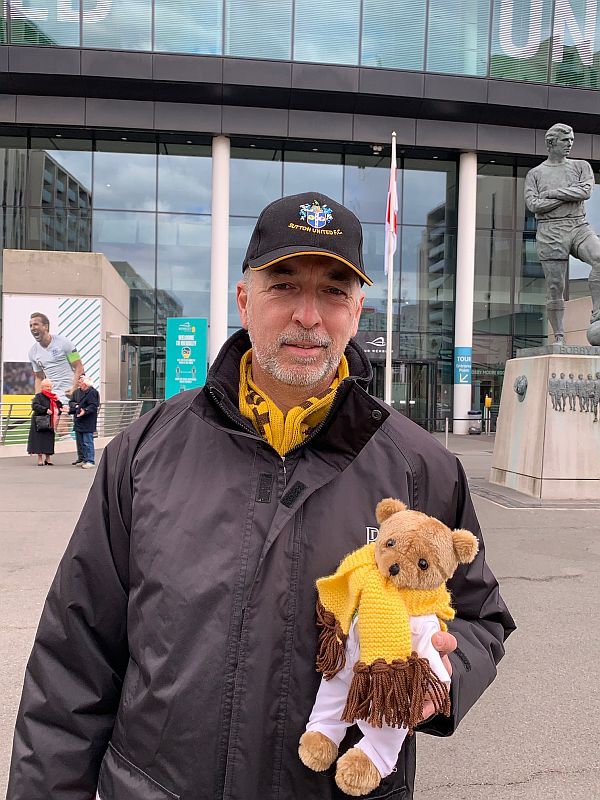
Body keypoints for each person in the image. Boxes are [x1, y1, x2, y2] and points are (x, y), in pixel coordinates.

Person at [7, 192, 515, 800]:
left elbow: (482, 617)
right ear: (244, 300)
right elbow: (73, 658)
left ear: (358, 311)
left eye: (333, 291)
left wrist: (438, 680)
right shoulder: (145, 453)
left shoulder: (420, 467)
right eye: (283, 286)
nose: (309, 316)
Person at [524, 123, 600, 343]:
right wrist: (568, 196)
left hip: (578, 225)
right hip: (551, 231)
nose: (570, 144)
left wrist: (553, 194)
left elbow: (585, 191)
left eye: (572, 140)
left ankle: (597, 314)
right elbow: (534, 204)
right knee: (556, 286)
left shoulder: (580, 166)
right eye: (565, 140)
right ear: (551, 143)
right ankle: (558, 336)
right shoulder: (535, 174)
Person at [28, 312, 85, 409]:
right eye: (30, 326)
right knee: (49, 424)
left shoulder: (65, 343)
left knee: (61, 423)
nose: (32, 328)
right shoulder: (33, 352)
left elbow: (79, 367)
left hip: (69, 394)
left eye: (36, 324)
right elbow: (39, 378)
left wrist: (74, 391)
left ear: (45, 326)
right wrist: (38, 398)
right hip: (52, 397)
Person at [27, 378, 63, 466]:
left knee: (49, 440)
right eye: (47, 386)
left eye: (50, 386)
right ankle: (40, 458)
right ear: (42, 387)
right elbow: (35, 406)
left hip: (50, 422)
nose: (49, 388)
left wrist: (60, 408)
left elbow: (59, 407)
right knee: (39, 440)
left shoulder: (54, 397)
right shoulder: (38, 396)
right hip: (40, 422)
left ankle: (48, 458)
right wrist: (45, 410)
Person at [70, 374, 100, 469]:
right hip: (78, 420)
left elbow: (94, 405)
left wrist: (85, 411)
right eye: (79, 381)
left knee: (87, 441)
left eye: (81, 381)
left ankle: (90, 460)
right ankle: (82, 458)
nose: (79, 383)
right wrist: (76, 406)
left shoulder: (93, 392)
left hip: (88, 421)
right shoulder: (76, 392)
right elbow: (71, 402)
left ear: (86, 383)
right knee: (80, 442)